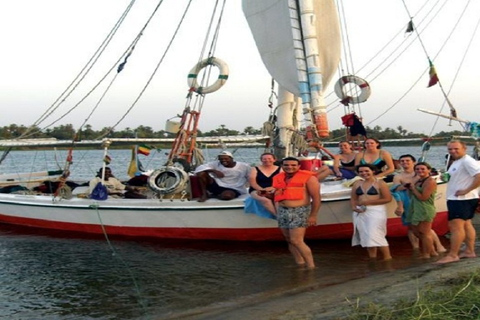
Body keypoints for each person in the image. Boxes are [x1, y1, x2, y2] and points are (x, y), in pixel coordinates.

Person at [436, 140, 480, 264]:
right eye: (450, 149)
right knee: (466, 224)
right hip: (461, 198)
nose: (453, 151)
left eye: (456, 149)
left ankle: (453, 254)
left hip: (461, 199)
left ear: (464, 148)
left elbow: (479, 175)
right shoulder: (458, 161)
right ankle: (469, 251)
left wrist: (466, 190)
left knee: (455, 227)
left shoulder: (467, 161)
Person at [272, 157, 321, 269]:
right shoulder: (279, 178)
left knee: (296, 240)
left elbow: (316, 198)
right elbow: (277, 194)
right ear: (282, 166)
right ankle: (300, 263)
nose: (290, 167)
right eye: (286, 165)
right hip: (283, 210)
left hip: (299, 210)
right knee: (289, 239)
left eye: (293, 165)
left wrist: (313, 215)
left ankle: (311, 266)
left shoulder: (309, 178)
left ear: (299, 166)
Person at [391, 154, 446, 253]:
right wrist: (400, 205)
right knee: (411, 227)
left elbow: (420, 190)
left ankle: (438, 247)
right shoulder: (398, 176)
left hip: (419, 202)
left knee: (425, 228)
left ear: (414, 162)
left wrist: (406, 186)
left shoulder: (421, 174)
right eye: (402, 161)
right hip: (407, 201)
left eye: (407, 160)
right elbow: (397, 190)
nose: (405, 163)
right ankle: (416, 248)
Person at [350, 163, 392, 260]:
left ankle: (387, 258)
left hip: (376, 211)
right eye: (361, 171)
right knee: (365, 235)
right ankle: (372, 258)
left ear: (373, 171)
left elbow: (387, 199)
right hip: (360, 212)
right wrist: (353, 207)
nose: (364, 173)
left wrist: (369, 202)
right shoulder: (357, 183)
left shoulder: (380, 183)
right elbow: (353, 198)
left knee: (375, 234)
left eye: (366, 171)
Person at [404, 162, 438, 258]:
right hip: (415, 208)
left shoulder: (430, 181)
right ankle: (432, 251)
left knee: (425, 232)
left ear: (429, 170)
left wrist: (414, 189)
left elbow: (424, 197)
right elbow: (412, 195)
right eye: (417, 169)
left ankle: (426, 254)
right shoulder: (418, 181)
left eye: (423, 169)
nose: (420, 171)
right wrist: (409, 188)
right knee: (416, 231)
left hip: (425, 208)